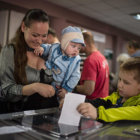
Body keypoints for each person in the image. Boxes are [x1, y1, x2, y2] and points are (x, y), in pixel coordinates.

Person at [0, 9, 59, 113]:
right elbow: (5, 91)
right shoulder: (10, 51)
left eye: (44, 36)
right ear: (23, 27)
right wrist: (34, 87)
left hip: (45, 118)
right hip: (17, 117)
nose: (40, 41)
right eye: (35, 35)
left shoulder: (48, 53)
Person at [77, 57, 140, 122]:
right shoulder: (117, 97)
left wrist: (98, 113)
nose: (119, 85)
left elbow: (124, 112)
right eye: (120, 79)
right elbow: (100, 102)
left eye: (126, 83)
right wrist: (79, 101)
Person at [34, 26, 85, 99]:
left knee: (57, 102)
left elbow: (75, 76)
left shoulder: (76, 60)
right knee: (42, 98)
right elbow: (47, 47)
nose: (76, 50)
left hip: (60, 87)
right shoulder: (54, 48)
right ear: (64, 43)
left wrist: (66, 89)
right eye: (73, 46)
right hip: (47, 80)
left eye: (79, 48)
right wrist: (42, 48)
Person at [74, 31, 109, 99]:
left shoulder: (90, 60)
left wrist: (71, 87)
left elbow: (88, 90)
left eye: (77, 44)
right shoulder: (101, 57)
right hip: (103, 102)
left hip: (93, 104)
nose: (76, 48)